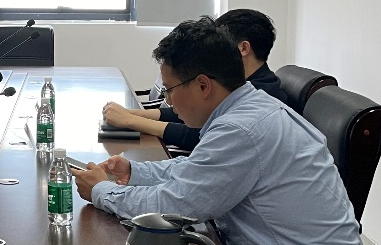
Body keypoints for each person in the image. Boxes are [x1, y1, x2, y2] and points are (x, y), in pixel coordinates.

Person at [70, 17, 381, 245]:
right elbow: (198, 171)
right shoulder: (251, 109)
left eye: (170, 89)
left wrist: (102, 192)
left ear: (203, 85)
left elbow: (175, 206)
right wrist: (134, 173)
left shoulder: (242, 129)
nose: (168, 100)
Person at [102, 8, 291, 151]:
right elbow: (182, 113)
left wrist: (130, 121)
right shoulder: (236, 87)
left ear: (243, 48)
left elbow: (199, 136)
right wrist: (130, 114)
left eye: (223, 41)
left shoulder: (262, 97)